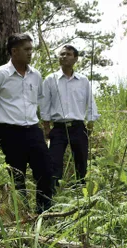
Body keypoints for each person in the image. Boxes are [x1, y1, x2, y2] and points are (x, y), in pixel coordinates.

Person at [0, 33, 53, 214]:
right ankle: (22, 213)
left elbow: (39, 99)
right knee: (17, 174)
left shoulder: (36, 75)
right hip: (9, 132)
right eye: (26, 49)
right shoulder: (0, 75)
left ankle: (45, 212)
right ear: (14, 51)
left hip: (33, 129)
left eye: (31, 49)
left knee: (46, 170)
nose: (30, 53)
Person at [40, 44, 100, 189]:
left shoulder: (83, 81)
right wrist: (46, 128)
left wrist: (90, 124)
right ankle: (54, 193)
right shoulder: (50, 80)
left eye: (68, 54)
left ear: (75, 58)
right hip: (58, 129)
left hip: (78, 127)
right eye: (61, 54)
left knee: (81, 163)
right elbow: (44, 104)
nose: (63, 57)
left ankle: (81, 192)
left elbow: (90, 101)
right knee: (54, 162)